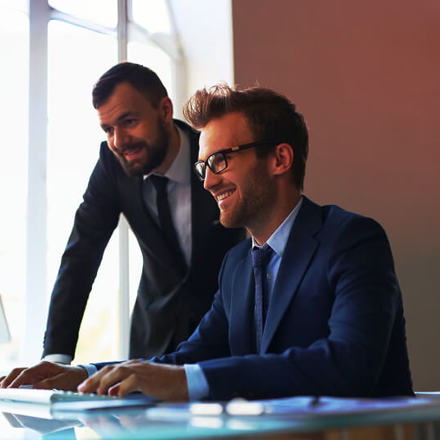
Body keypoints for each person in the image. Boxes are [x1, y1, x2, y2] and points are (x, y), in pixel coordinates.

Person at [1, 84, 413, 401]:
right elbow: (189, 358)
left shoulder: (352, 240)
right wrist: (84, 374)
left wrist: (188, 381)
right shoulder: (236, 265)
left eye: (220, 161)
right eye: (203, 167)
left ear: (279, 160)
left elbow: (350, 364)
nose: (209, 181)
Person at [41, 63, 243, 363]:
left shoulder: (215, 155)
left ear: (164, 111)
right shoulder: (111, 166)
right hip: (152, 344)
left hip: (225, 343)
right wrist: (55, 357)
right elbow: (80, 257)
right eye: (108, 129)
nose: (119, 141)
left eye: (129, 121)